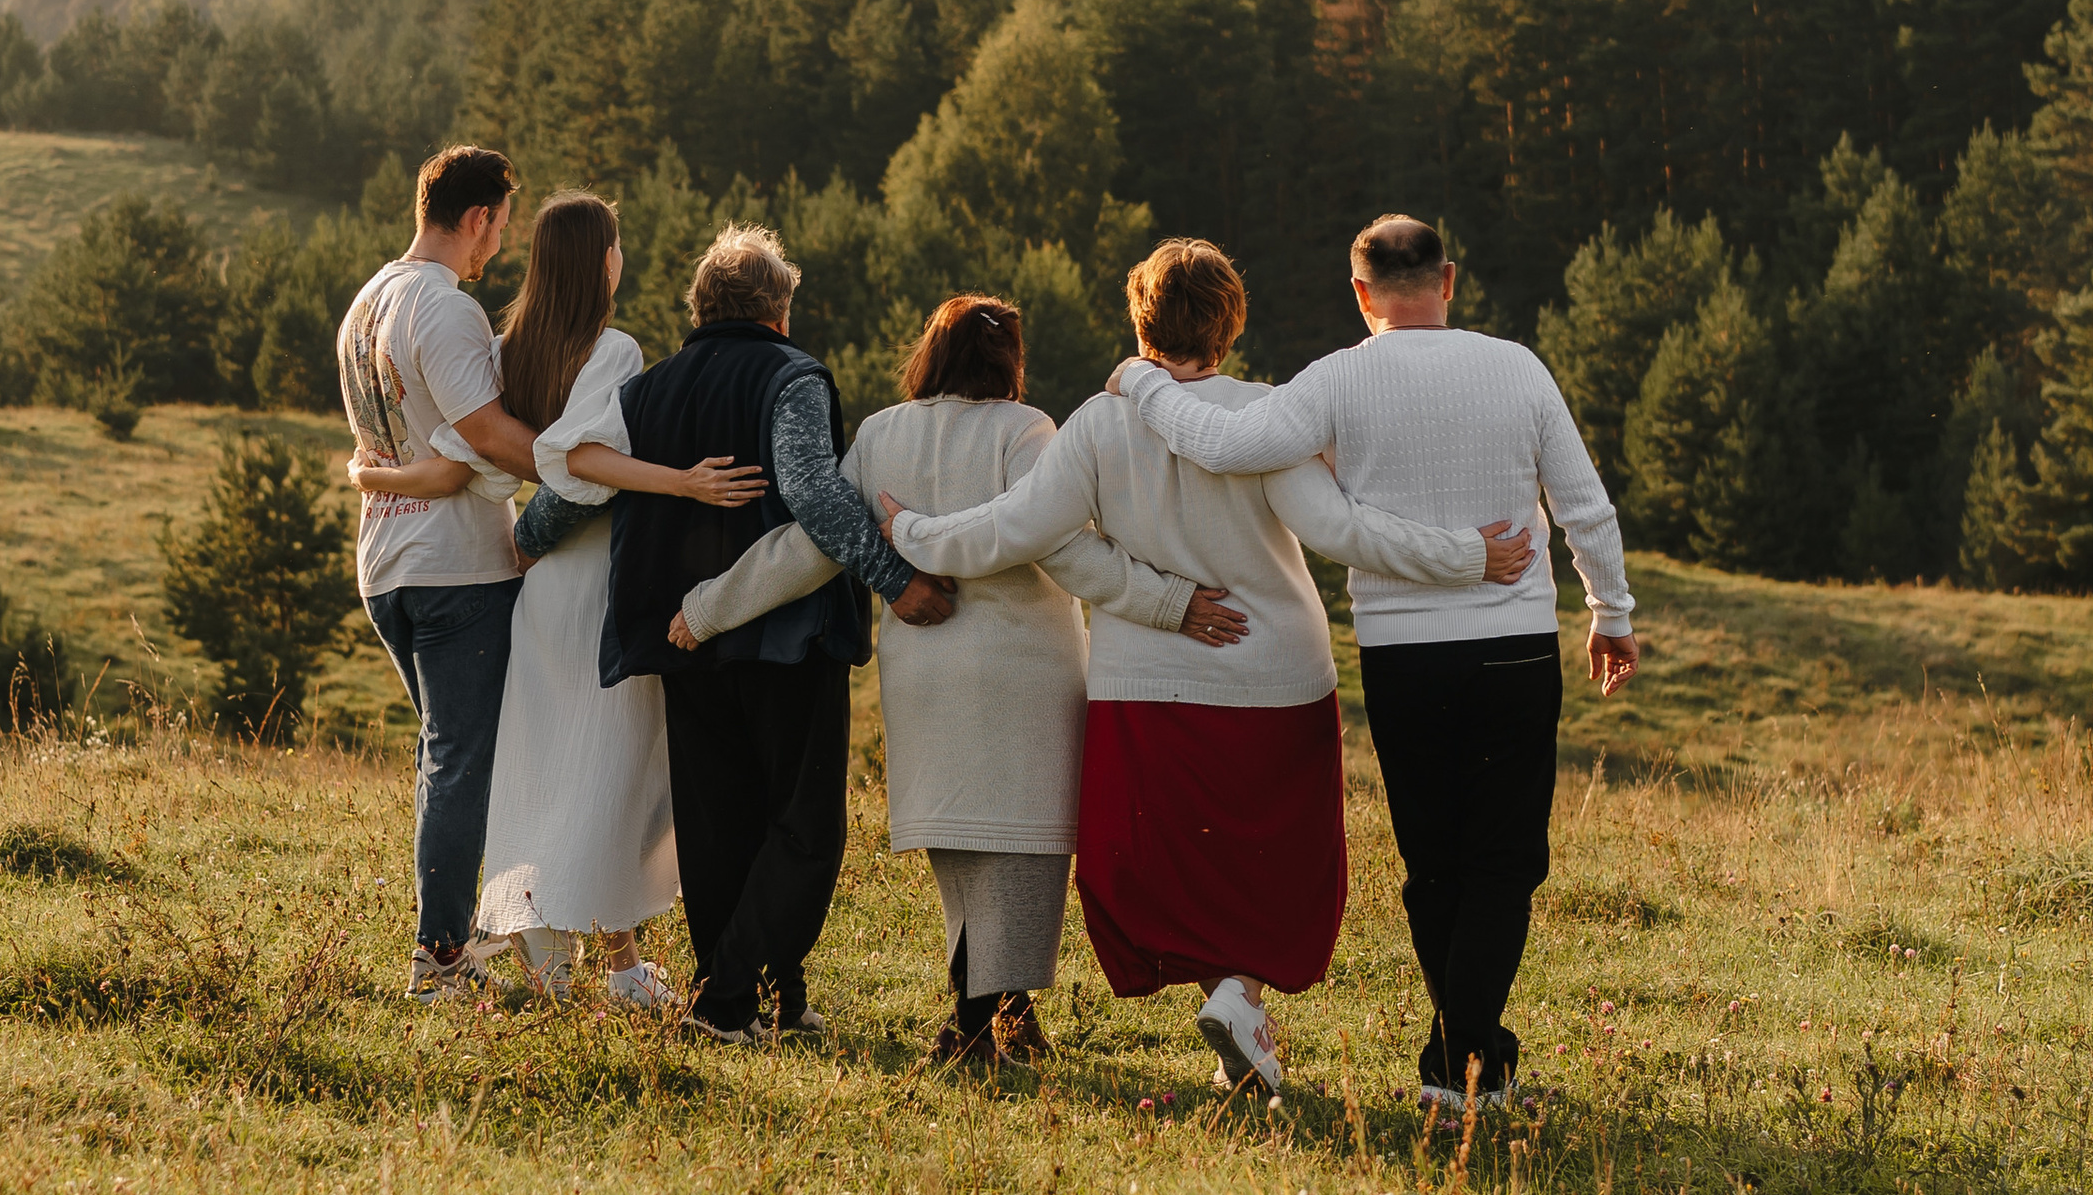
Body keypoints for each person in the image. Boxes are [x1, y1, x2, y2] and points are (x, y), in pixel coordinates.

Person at [876, 239, 1532, 1097]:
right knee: (1274, 861)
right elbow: (1343, 532)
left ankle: (1232, 1006)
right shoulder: (1267, 415)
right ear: (1230, 324)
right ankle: (1240, 996)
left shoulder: (1099, 423)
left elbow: (1012, 528)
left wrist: (910, 533)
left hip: (1144, 684)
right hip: (1277, 676)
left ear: (1139, 319)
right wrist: (1466, 556)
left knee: (1172, 862)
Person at [1109, 212, 1638, 1108]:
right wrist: (1609, 612)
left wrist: (1140, 380)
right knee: (1504, 862)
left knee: (1433, 863)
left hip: (1401, 657)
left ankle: (1466, 1063)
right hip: (1511, 650)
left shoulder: (1335, 380)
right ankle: (1463, 1067)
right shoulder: (1519, 367)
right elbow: (1584, 506)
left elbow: (1223, 444)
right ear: (1449, 280)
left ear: (1360, 293)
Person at [677, 294, 1209, 1065]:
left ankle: (1008, 1018)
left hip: (925, 673)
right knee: (1021, 854)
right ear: (1010, 358)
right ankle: (970, 1030)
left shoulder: (881, 433)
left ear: (930, 351)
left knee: (964, 853)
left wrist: (707, 607)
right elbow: (1064, 549)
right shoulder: (1025, 430)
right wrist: (1169, 602)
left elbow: (811, 546)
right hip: (1020, 672)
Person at [349, 191, 768, 1012]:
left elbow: (458, 462)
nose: (622, 256)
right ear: (602, 260)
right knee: (612, 774)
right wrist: (680, 482)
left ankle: (561, 968)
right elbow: (580, 463)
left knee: (545, 770)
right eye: (617, 244)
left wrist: (368, 473)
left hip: (532, 588)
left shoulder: (505, 352)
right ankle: (616, 969)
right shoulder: (613, 349)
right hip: (596, 580)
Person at [581, 224, 954, 1043]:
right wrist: (896, 581)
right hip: (785, 640)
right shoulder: (792, 375)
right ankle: (724, 1002)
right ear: (779, 310)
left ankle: (777, 1001)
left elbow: (576, 481)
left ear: (700, 309)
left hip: (683, 638)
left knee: (718, 828)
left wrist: (523, 541)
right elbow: (814, 497)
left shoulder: (647, 390)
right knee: (805, 829)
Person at [336, 143, 552, 1003]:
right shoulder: (444, 308)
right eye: (500, 227)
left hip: (386, 562)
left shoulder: (366, 304)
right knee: (463, 762)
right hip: (455, 564)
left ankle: (455, 937)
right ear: (477, 218)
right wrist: (587, 471)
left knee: (445, 756)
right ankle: (441, 957)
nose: (499, 245)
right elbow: (489, 434)